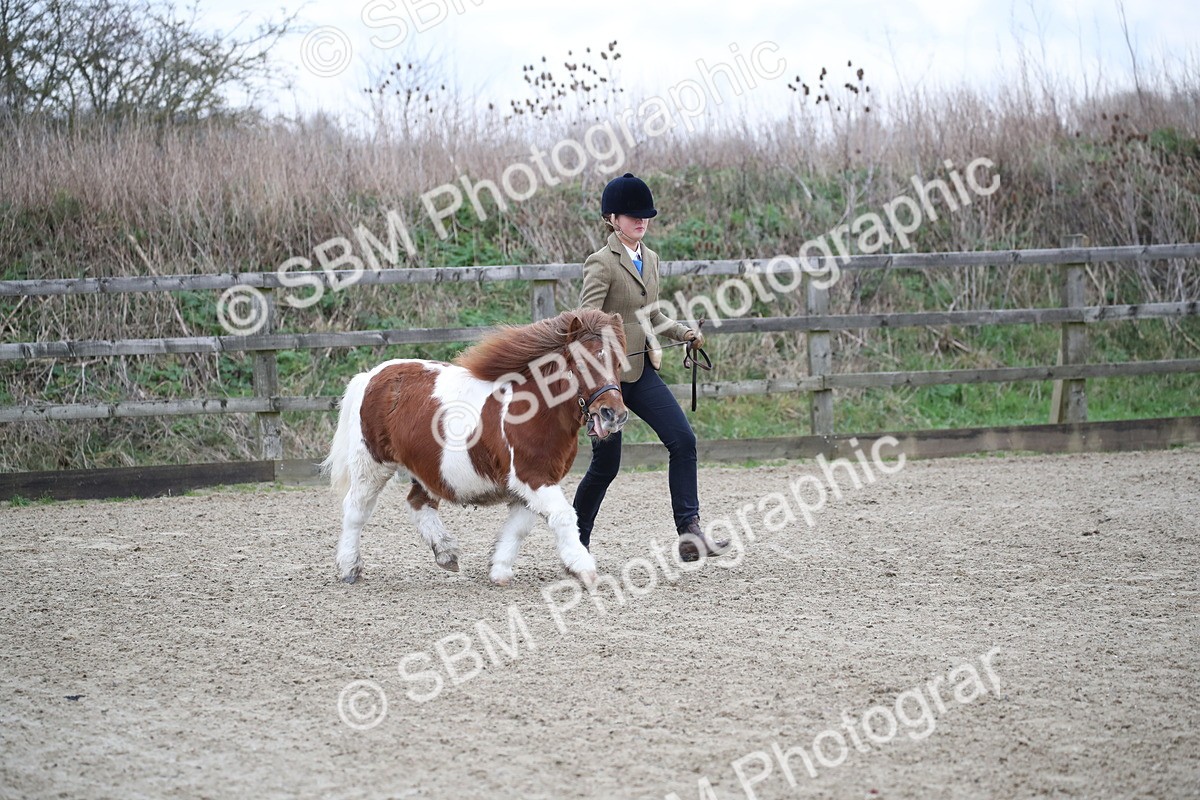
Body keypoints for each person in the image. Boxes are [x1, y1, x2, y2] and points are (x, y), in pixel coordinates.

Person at [573, 172, 731, 562]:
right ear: (612, 218)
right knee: (606, 466)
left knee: (683, 440)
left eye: (644, 215)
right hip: (606, 382)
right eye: (631, 215)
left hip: (640, 375)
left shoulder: (652, 259)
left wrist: (683, 333)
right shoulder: (601, 263)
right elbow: (586, 321)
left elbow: (651, 314)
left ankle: (690, 532)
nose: (640, 221)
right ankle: (575, 542)